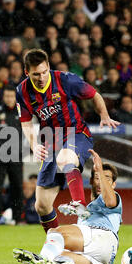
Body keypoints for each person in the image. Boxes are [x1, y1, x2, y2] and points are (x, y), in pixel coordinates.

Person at [16, 49, 119, 234]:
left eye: (44, 72)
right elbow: (25, 122)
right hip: (50, 143)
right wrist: (34, 145)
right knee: (42, 206)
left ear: (48, 67)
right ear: (26, 72)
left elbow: (94, 94)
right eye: (35, 74)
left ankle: (80, 204)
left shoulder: (65, 80)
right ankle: (55, 246)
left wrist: (104, 114)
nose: (41, 78)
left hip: (77, 133)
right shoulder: (22, 91)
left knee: (65, 158)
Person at [13, 149, 121, 264]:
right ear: (91, 181)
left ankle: (42, 258)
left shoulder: (115, 199)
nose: (101, 182)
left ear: (113, 185)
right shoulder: (87, 209)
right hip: (104, 258)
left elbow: (110, 201)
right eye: (97, 178)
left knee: (56, 232)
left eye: (107, 179)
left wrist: (100, 171)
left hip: (103, 237)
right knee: (58, 254)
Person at [0, 85, 23, 224]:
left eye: (11, 96)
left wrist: (21, 149)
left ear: (16, 97)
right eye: (7, 96)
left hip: (16, 156)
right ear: (3, 96)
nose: (9, 99)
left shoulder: (21, 112)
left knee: (17, 187)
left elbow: (28, 132)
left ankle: (18, 218)